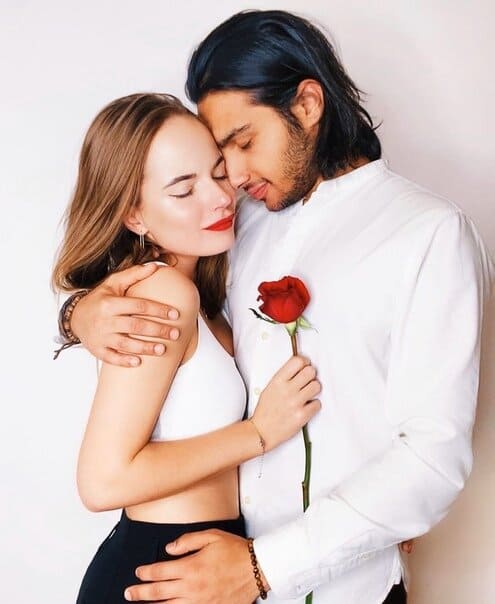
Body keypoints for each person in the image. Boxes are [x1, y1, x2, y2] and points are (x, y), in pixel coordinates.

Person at [58, 10, 494, 604]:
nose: (233, 177)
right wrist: (82, 313)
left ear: (307, 105)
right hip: (203, 576)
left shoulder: (428, 235)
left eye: (243, 143)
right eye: (221, 156)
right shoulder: (238, 225)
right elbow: (160, 296)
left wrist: (262, 567)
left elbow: (433, 456)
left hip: (341, 589)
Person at [52, 92, 322, 603]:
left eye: (218, 173)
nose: (219, 198)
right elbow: (103, 481)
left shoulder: (205, 296)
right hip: (161, 566)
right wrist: (258, 433)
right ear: (134, 215)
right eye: (184, 189)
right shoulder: (165, 293)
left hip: (199, 563)